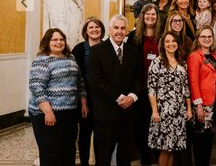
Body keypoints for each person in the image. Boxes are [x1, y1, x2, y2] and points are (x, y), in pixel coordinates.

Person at [88, 15, 142, 166]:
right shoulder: (97, 51)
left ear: (127, 31)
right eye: (116, 28)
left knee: (125, 157)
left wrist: (132, 97)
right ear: (110, 30)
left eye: (123, 28)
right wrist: (119, 98)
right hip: (105, 114)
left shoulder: (133, 51)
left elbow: (139, 78)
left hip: (128, 114)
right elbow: (97, 81)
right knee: (103, 157)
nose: (119, 31)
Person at [29, 28, 87, 166]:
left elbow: (80, 82)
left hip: (70, 112)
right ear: (47, 42)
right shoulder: (42, 61)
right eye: (54, 39)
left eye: (61, 39)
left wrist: (84, 103)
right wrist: (48, 112)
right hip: (47, 114)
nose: (59, 42)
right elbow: (37, 88)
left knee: (68, 150)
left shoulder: (71, 58)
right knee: (51, 152)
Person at [187, 26, 216, 166]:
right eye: (203, 36)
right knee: (201, 141)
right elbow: (193, 82)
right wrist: (199, 106)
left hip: (214, 104)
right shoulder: (195, 56)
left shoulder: (213, 55)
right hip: (203, 105)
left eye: (209, 37)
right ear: (198, 39)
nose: (207, 39)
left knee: (208, 139)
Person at [147, 32, 193, 166]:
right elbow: (151, 89)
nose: (171, 44)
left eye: (173, 41)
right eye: (167, 41)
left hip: (178, 111)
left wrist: (189, 109)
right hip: (163, 111)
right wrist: (155, 111)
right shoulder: (157, 62)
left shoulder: (182, 63)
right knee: (165, 148)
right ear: (163, 44)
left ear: (178, 44)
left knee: (173, 148)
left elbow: (186, 89)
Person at [126, 4, 161, 165]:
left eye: (153, 14)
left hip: (160, 89)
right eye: (147, 14)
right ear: (142, 17)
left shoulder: (162, 35)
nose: (150, 17)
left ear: (157, 17)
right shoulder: (133, 36)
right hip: (140, 88)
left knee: (157, 126)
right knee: (141, 127)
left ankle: (156, 158)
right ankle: (145, 159)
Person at [72, 18, 104, 166]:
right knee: (85, 133)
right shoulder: (78, 49)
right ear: (86, 31)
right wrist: (83, 100)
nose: (94, 30)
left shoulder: (107, 47)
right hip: (84, 98)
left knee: (101, 135)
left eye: (97, 27)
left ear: (102, 30)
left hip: (103, 99)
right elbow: (76, 77)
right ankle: (84, 162)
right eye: (91, 27)